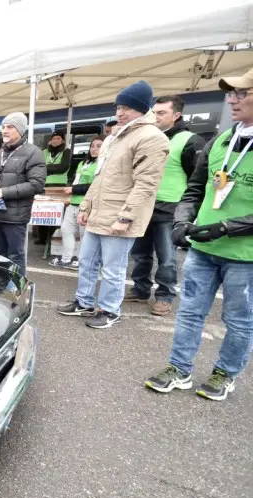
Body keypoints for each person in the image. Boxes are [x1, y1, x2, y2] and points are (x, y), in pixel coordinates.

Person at [144, 70, 253, 401]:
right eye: (230, 94)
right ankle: (179, 368)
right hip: (203, 248)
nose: (231, 100)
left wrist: (223, 227)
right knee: (190, 311)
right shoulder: (222, 140)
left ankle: (226, 372)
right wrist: (181, 221)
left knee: (239, 320)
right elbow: (194, 189)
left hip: (244, 256)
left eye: (241, 93)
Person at [57, 80, 169, 329]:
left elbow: (146, 184)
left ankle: (109, 310)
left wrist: (126, 216)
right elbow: (98, 178)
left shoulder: (152, 138)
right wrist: (85, 207)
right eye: (119, 106)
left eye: (127, 107)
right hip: (99, 212)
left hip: (120, 216)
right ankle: (84, 302)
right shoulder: (114, 137)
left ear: (141, 109)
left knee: (112, 268)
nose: (120, 112)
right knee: (86, 261)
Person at [126, 95, 206, 316]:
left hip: (170, 208)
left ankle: (164, 295)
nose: (156, 116)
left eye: (161, 113)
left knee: (167, 256)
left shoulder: (191, 140)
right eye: (154, 112)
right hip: (144, 205)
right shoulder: (147, 137)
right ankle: (140, 289)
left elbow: (197, 179)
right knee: (140, 254)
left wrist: (189, 212)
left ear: (176, 115)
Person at [0, 113, 46, 276]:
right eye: (3, 127)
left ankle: (18, 294)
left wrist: (3, 192)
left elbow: (36, 184)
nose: (5, 130)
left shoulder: (33, 153)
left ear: (21, 130)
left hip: (15, 218)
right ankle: (0, 291)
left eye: (10, 127)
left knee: (15, 256)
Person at [49, 135, 104, 269]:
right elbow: (76, 179)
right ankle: (66, 258)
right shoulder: (83, 163)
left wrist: (74, 189)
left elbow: (96, 186)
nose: (94, 149)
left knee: (85, 234)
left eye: (98, 146)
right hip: (73, 202)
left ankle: (82, 260)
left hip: (88, 205)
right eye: (92, 146)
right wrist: (72, 188)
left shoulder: (103, 164)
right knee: (66, 230)